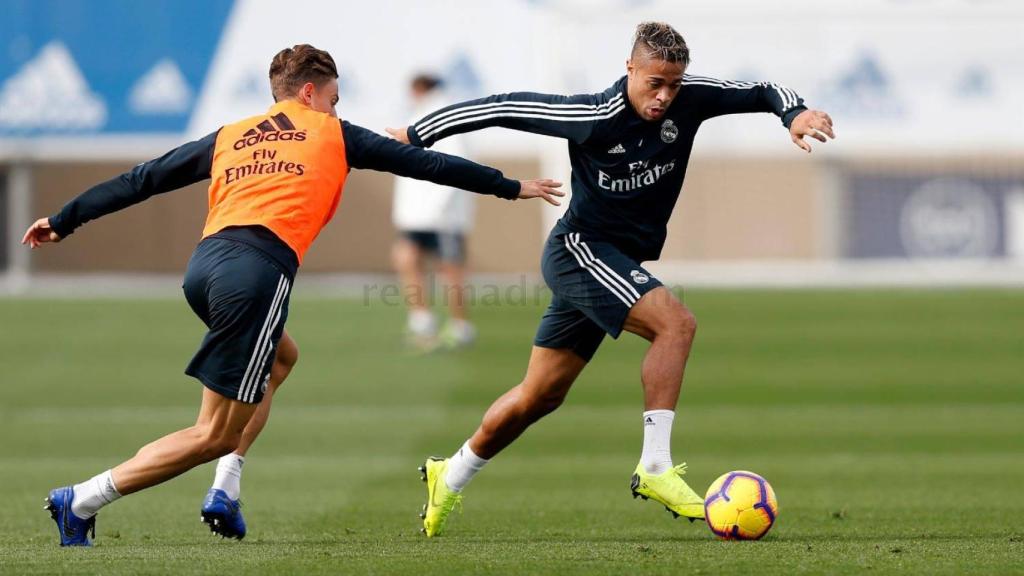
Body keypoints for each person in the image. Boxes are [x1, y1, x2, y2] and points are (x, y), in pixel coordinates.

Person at [23, 44, 563, 547]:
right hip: (255, 276)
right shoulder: (334, 134)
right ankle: (82, 500)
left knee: (282, 357)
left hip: (205, 267)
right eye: (333, 98)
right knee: (212, 433)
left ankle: (226, 486)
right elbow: (427, 164)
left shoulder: (232, 134)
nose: (335, 108)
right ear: (309, 92)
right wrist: (510, 186)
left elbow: (143, 179)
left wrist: (64, 219)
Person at [387, 22, 835, 537]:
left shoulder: (691, 98)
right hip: (580, 251)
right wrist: (417, 134)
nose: (664, 96)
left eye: (673, 85)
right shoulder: (593, 116)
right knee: (676, 325)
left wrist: (794, 114)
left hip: (613, 260)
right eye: (654, 83)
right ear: (630, 69)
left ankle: (451, 473)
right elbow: (502, 105)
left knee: (539, 396)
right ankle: (656, 467)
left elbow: (761, 90)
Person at [391, 74, 476, 351]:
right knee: (406, 258)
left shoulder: (446, 116)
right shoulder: (417, 116)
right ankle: (422, 320)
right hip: (416, 215)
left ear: (419, 89)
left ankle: (460, 326)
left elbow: (458, 164)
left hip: (443, 216)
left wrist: (439, 206)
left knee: (450, 269)